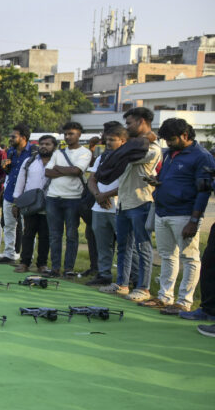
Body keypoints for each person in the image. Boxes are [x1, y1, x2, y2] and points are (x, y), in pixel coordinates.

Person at [148, 118, 212, 314]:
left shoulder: (201, 156)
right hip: (163, 211)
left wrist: (194, 220)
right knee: (167, 256)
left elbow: (204, 190)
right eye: (165, 139)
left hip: (185, 214)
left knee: (190, 258)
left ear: (185, 135)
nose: (168, 143)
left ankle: (184, 301)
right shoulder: (169, 154)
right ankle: (165, 297)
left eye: (172, 139)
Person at [104, 108, 161, 302]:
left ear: (142, 121)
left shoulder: (153, 147)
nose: (126, 128)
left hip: (142, 201)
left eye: (129, 123)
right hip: (124, 203)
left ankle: (143, 288)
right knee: (123, 246)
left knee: (142, 246)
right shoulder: (132, 145)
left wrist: (143, 140)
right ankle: (122, 284)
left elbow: (130, 156)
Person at [42, 122, 92, 278]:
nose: (68, 137)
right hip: (53, 197)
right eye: (66, 134)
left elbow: (77, 170)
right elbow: (48, 172)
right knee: (55, 235)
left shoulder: (85, 153)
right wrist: (68, 171)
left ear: (79, 135)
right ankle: (55, 268)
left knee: (71, 234)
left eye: (71, 134)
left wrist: (60, 169)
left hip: (73, 198)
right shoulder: (58, 153)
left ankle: (68, 268)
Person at [87, 124, 133, 288]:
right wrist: (98, 195)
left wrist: (105, 195)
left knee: (125, 246)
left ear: (123, 141)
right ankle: (104, 274)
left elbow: (128, 184)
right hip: (99, 206)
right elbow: (91, 179)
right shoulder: (102, 157)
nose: (108, 143)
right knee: (103, 244)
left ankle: (129, 278)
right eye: (107, 139)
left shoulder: (128, 159)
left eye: (112, 140)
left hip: (119, 207)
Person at [12, 135, 55, 272]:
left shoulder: (57, 162)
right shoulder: (29, 161)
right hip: (30, 204)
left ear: (54, 146)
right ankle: (24, 262)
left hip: (50, 204)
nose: (44, 146)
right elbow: (20, 181)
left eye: (48, 144)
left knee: (45, 235)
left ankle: (42, 264)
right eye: (42, 144)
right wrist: (16, 202)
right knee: (28, 233)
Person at [0, 124, 33, 264]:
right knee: (9, 224)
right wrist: (5, 167)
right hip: (10, 192)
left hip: (26, 194)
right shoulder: (11, 151)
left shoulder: (32, 152)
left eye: (13, 136)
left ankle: (27, 257)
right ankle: (9, 253)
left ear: (23, 138)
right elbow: (10, 173)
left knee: (27, 227)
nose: (10, 138)